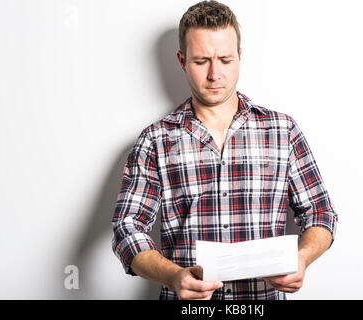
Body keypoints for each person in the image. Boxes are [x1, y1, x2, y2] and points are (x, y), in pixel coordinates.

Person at [112, 0, 338, 300]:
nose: (215, 74)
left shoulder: (283, 131)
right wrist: (173, 276)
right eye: (201, 60)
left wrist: (303, 258)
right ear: (182, 60)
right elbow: (127, 227)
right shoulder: (155, 140)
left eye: (226, 60)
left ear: (240, 57)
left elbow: (320, 212)